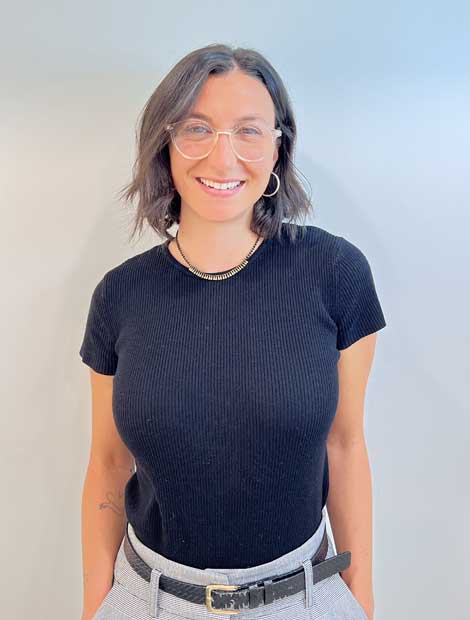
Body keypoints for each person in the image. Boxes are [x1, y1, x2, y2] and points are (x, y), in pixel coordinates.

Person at [79, 43, 387, 620]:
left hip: (301, 599)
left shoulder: (336, 273)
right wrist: (97, 603)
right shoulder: (119, 295)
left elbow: (345, 446)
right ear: (165, 143)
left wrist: (360, 597)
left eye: (248, 131)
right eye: (197, 129)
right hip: (151, 600)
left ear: (278, 145)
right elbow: (108, 464)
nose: (223, 158)